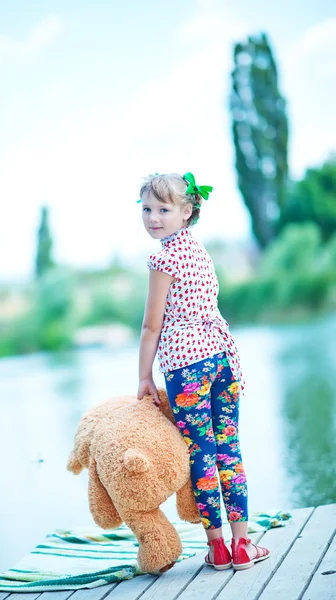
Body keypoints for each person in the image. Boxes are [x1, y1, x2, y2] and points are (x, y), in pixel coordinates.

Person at [136, 172, 270, 571]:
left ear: (187, 211)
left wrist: (145, 378)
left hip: (188, 366)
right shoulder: (197, 250)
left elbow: (151, 326)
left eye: (163, 209)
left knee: (202, 454)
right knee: (229, 449)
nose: (153, 218)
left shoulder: (162, 258)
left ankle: (218, 549)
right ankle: (243, 543)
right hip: (221, 359)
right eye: (146, 209)